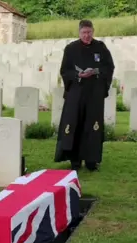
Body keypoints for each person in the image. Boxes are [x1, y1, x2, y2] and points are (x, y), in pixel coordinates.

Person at [54, 20, 115, 171]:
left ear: (93, 31)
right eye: (84, 33)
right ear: (79, 32)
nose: (87, 36)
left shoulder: (100, 48)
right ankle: (75, 161)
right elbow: (65, 70)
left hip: (94, 94)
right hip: (76, 93)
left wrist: (96, 71)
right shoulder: (71, 49)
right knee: (75, 124)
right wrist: (78, 74)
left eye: (89, 32)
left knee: (92, 126)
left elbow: (109, 67)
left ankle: (91, 161)